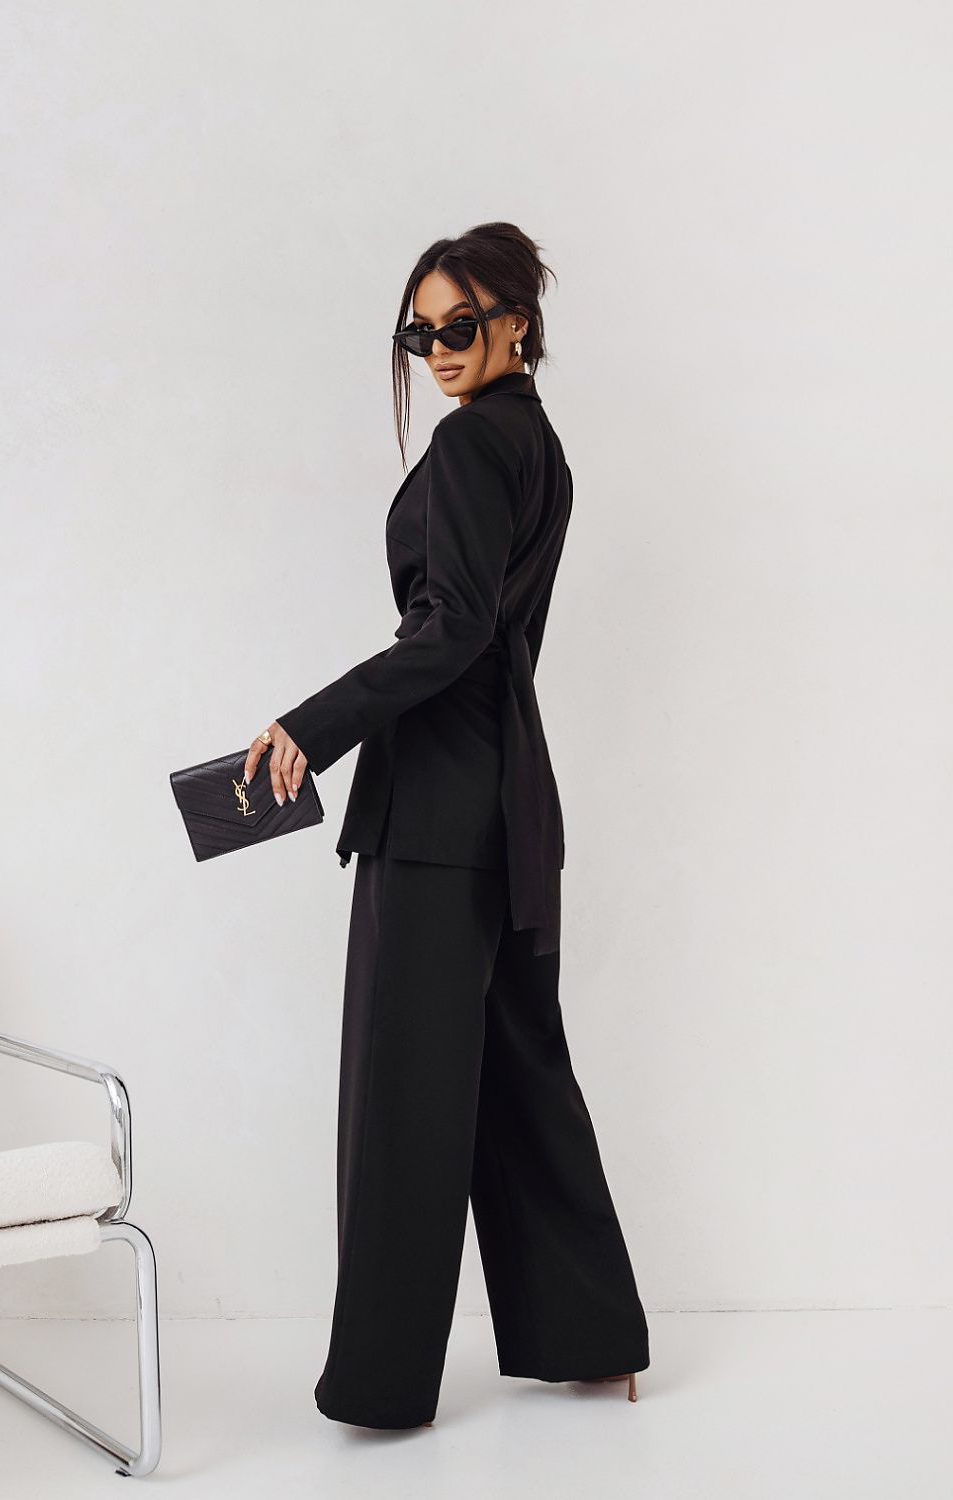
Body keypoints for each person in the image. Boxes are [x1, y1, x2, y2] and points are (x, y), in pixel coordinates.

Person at [243, 222, 649, 1430]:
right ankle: (594, 1343)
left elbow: (453, 629)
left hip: (438, 809)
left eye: (459, 327)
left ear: (519, 323)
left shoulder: (479, 442)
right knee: (519, 1075)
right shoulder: (541, 446)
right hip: (512, 803)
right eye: (419, 334)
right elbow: (487, 636)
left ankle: (377, 1385)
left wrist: (312, 726)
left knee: (403, 1096)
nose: (436, 352)